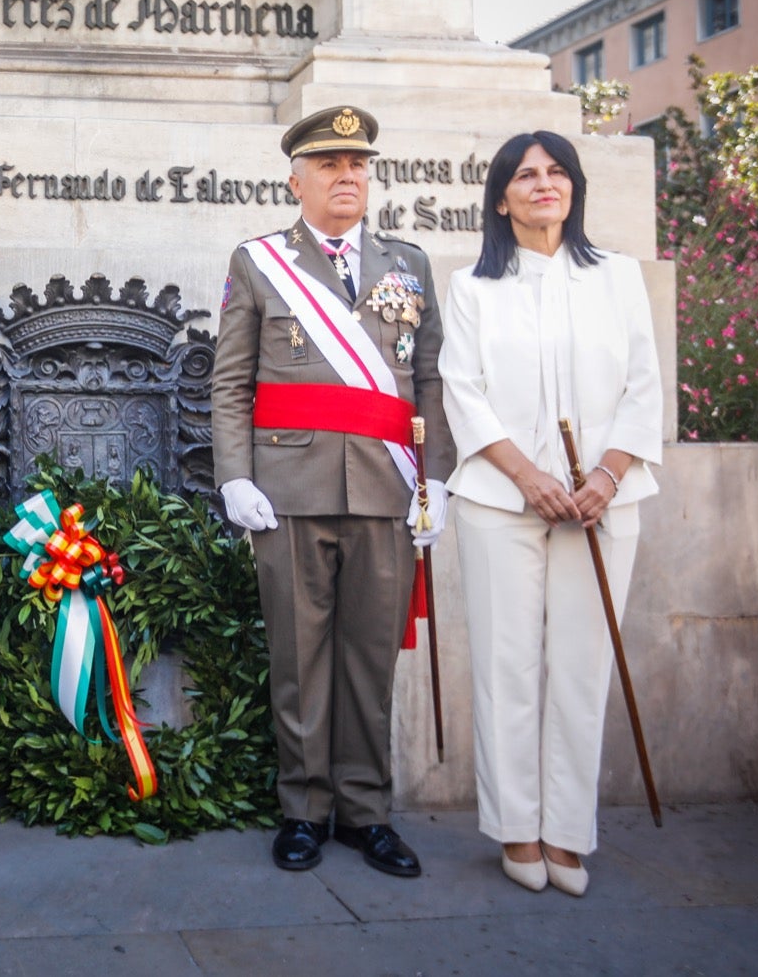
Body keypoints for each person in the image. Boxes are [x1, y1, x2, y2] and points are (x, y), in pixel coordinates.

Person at [211, 105, 454, 878]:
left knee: (369, 659)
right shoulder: (260, 261)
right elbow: (231, 382)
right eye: (328, 164)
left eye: (357, 163)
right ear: (297, 179)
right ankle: (303, 810)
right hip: (290, 488)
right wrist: (236, 475)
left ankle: (366, 812)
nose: (347, 175)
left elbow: (428, 379)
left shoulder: (406, 263)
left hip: (387, 487)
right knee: (298, 657)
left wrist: (438, 478)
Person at [439, 130, 661, 897]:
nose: (544, 184)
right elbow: (462, 390)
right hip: (503, 501)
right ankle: (518, 828)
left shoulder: (618, 277)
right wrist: (529, 475)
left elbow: (643, 383)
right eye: (526, 175)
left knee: (580, 664)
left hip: (603, 501)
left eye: (556, 172)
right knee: (508, 667)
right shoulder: (472, 288)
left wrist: (607, 472)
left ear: (574, 190)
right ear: (501, 199)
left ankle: (568, 833)